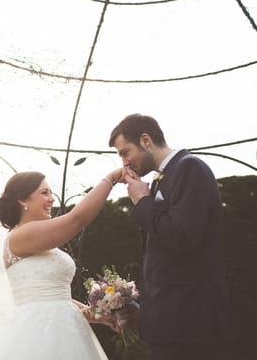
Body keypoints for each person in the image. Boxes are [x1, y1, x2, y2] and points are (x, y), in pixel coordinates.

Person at [0, 169, 125, 360]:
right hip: (35, 334)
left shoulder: (38, 240)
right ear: (23, 200)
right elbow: (77, 219)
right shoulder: (20, 235)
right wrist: (111, 178)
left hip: (68, 329)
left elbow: (55, 297)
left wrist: (96, 314)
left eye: (51, 192)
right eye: (44, 193)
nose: (51, 199)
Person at [109, 113, 230, 360]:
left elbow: (182, 237)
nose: (125, 162)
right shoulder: (159, 180)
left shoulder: (189, 167)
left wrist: (142, 201)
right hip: (169, 324)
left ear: (145, 140)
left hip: (190, 324)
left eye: (125, 152)